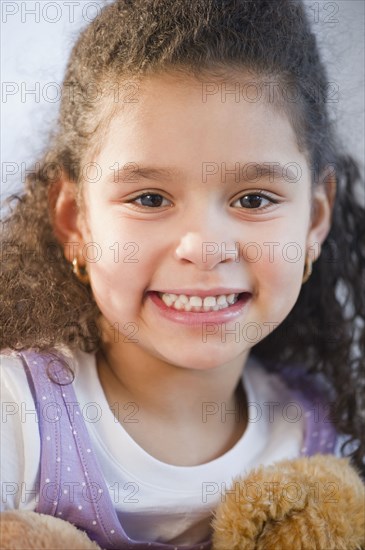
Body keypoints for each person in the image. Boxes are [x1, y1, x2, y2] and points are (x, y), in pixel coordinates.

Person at [1, 0, 364, 547]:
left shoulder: (320, 434)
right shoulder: (16, 420)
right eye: (149, 197)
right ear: (76, 220)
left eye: (253, 198)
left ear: (314, 219)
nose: (203, 248)